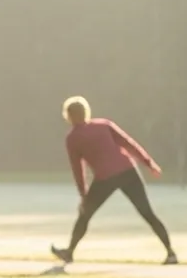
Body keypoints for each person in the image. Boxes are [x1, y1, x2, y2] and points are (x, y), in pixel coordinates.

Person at [51, 96, 176, 265]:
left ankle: (69, 252)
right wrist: (149, 163)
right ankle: (170, 253)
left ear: (68, 116)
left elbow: (78, 169)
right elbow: (129, 144)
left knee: (85, 215)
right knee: (147, 212)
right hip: (127, 171)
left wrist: (83, 196)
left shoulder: (72, 138)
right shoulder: (104, 125)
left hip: (105, 178)